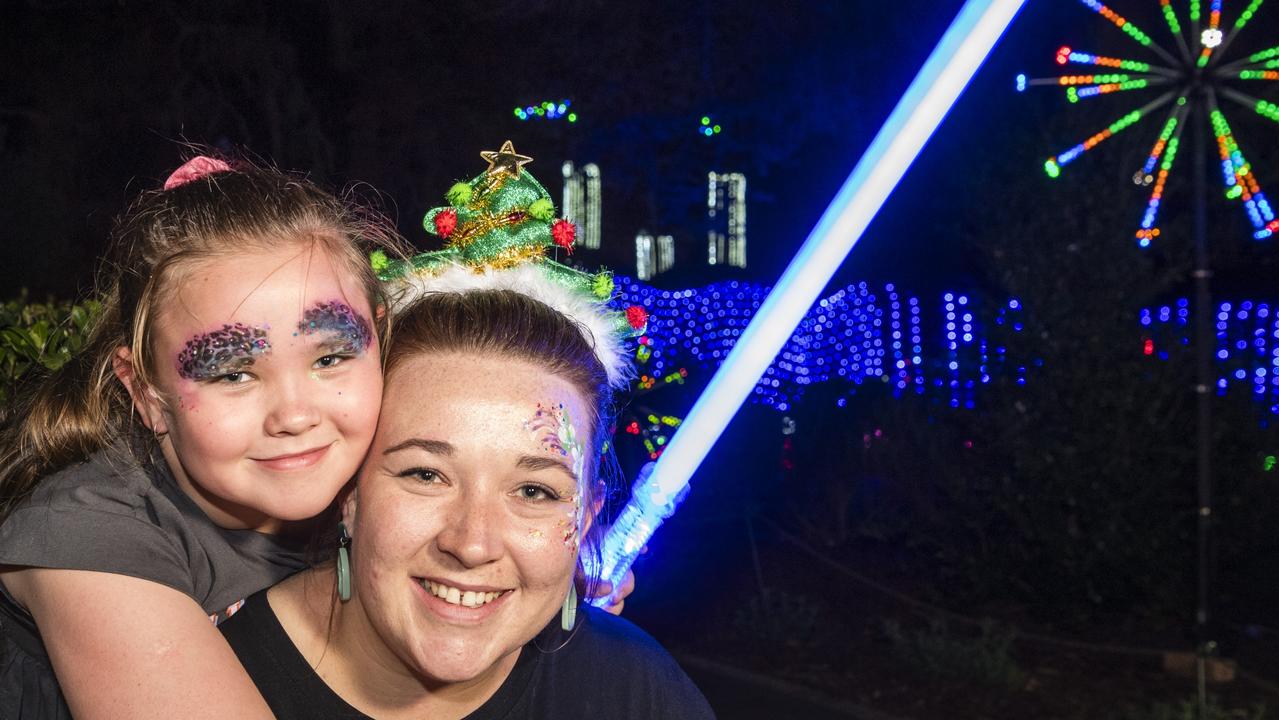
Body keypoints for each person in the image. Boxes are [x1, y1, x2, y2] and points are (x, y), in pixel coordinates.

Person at [0, 151, 633, 719]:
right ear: (144, 392)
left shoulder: (354, 486)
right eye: (232, 371)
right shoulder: (90, 538)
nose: (295, 415)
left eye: (330, 358)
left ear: (379, 338)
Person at [220, 288, 714, 718]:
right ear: (350, 492)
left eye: (534, 492)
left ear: (584, 519)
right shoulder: (199, 668)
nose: (473, 545)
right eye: (426, 474)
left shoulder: (638, 694)